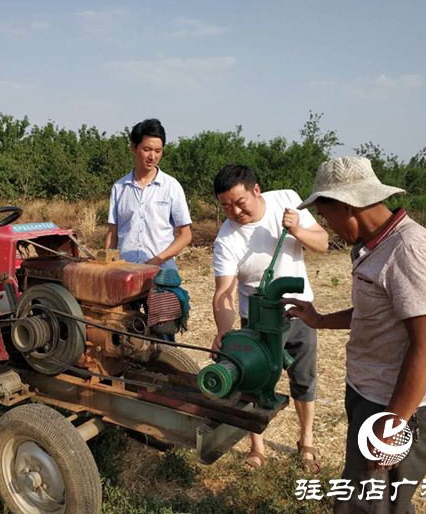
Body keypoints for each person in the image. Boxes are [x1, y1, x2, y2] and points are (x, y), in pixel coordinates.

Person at [283, 156, 426, 514]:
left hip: (393, 407)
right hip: (373, 398)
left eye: (326, 215)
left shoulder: (408, 251)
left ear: (347, 206)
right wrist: (320, 320)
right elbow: (378, 315)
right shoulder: (378, 246)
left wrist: (393, 425)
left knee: (370, 508)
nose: (327, 227)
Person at [210, 164, 329, 470]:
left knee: (304, 379)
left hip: (300, 313)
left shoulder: (286, 201)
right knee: (252, 382)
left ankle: (306, 441)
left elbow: (323, 243)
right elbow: (224, 291)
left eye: (240, 202)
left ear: (256, 190)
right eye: (226, 206)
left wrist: (298, 230)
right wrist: (224, 331)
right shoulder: (227, 239)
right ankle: (257, 447)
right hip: (258, 322)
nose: (234, 211)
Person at [105, 119, 192, 269]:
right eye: (147, 149)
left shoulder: (171, 187)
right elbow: (113, 233)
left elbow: (185, 235)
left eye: (158, 151)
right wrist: (108, 264)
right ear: (134, 148)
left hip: (161, 272)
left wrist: (157, 260)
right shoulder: (119, 188)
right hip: (126, 270)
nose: (152, 156)